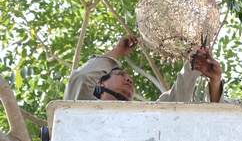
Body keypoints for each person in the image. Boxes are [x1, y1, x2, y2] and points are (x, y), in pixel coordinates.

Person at [64, 34, 201, 102]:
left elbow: (175, 105)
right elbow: (82, 77)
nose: (129, 79)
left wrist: (194, 65)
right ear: (100, 82)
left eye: (129, 78)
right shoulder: (82, 105)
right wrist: (117, 51)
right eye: (120, 75)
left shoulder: (139, 115)